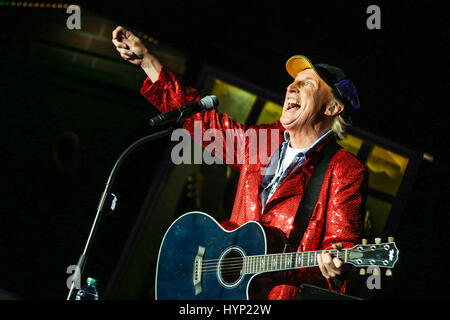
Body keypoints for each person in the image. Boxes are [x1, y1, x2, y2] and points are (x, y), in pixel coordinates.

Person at [112, 26, 367, 300]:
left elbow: (343, 248)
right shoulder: (261, 140)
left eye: (307, 84)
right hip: (225, 292)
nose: (291, 87)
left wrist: (338, 268)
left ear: (331, 108)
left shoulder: (344, 168)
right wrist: (147, 61)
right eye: (293, 82)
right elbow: (202, 122)